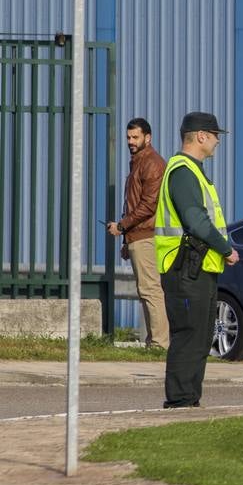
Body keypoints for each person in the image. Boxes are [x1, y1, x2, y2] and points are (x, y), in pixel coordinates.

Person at [154, 112, 239, 409]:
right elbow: (196, 221)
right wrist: (226, 248)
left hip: (198, 267)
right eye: (215, 135)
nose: (217, 141)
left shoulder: (193, 171)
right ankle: (179, 401)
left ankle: (189, 400)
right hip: (184, 267)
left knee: (201, 336)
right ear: (200, 136)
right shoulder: (183, 172)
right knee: (190, 334)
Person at [106, 118, 168, 348]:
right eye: (128, 137)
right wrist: (126, 238)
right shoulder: (139, 162)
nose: (131, 142)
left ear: (147, 138)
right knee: (146, 290)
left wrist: (122, 226)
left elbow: (148, 205)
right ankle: (155, 342)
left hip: (146, 236)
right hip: (137, 235)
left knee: (150, 290)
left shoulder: (151, 163)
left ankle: (160, 344)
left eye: (135, 137)